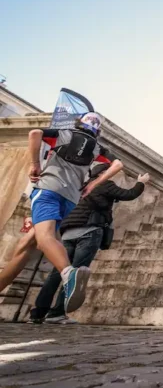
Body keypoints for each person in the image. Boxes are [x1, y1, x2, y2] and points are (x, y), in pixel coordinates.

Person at [0, 113, 123, 313]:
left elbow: (35, 133)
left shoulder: (64, 134)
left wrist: (35, 164)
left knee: (43, 239)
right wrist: (93, 184)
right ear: (97, 131)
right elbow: (118, 164)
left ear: (79, 123)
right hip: (70, 199)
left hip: (48, 190)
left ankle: (68, 274)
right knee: (26, 245)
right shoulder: (97, 148)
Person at [29, 167, 150, 324]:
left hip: (68, 232)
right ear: (102, 174)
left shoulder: (82, 185)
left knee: (58, 272)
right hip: (89, 230)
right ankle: (56, 313)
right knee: (76, 274)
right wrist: (140, 182)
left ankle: (38, 312)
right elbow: (129, 194)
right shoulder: (105, 184)